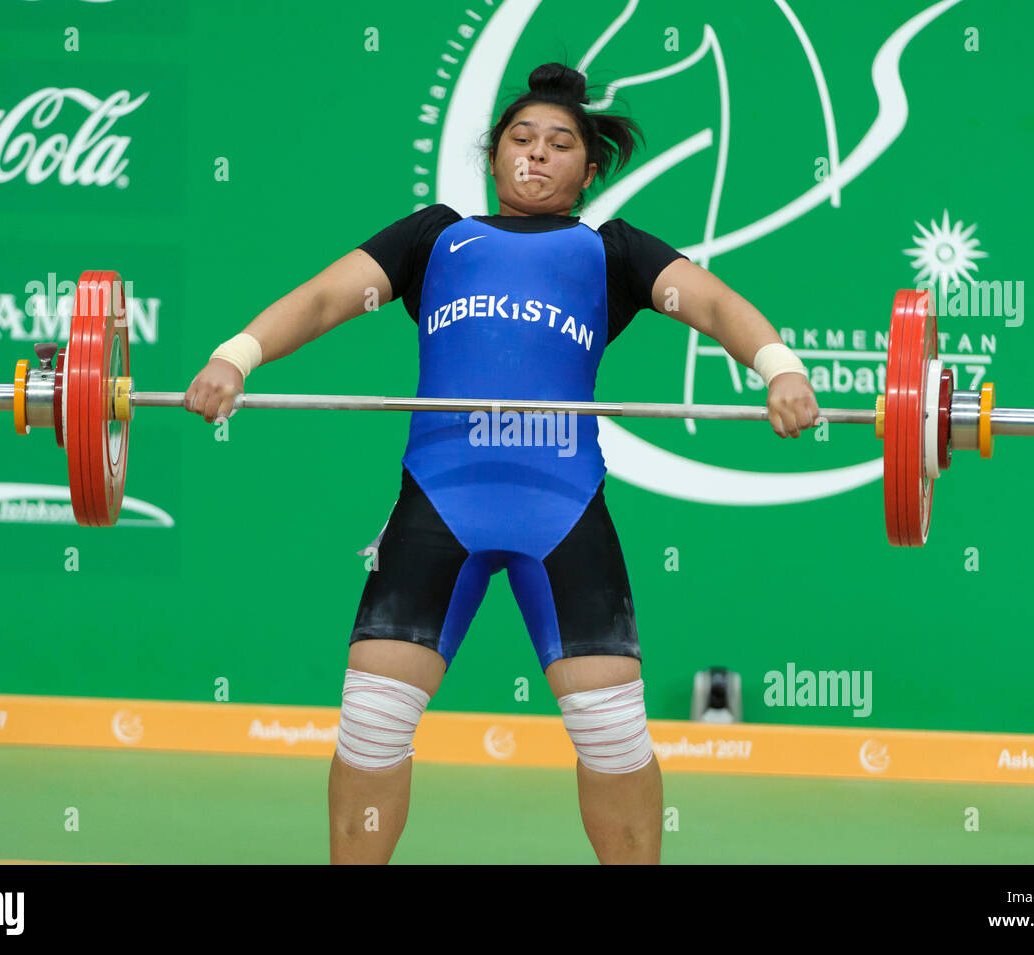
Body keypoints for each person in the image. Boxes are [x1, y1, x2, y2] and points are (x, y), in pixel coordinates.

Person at [183, 62, 819, 864]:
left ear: (587, 173)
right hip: (439, 503)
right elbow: (322, 298)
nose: (537, 153)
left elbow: (717, 304)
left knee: (613, 734)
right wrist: (235, 357)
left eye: (559, 144)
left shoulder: (610, 252)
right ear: (494, 157)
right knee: (373, 719)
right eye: (521, 138)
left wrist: (780, 368)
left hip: (561, 506)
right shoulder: (434, 238)